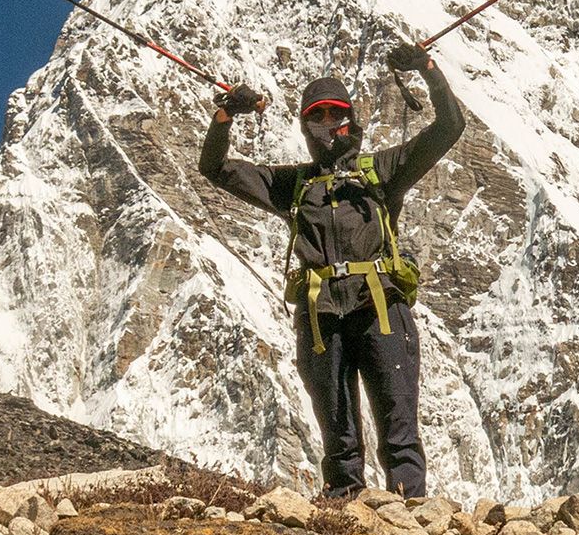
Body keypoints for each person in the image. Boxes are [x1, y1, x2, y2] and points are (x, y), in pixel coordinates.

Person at [198, 42, 465, 498]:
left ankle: (411, 519)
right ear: (304, 124)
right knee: (337, 437)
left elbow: (448, 128)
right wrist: (224, 117)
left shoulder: (382, 170)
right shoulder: (293, 184)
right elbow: (216, 168)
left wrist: (428, 69)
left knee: (398, 429)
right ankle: (347, 521)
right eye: (317, 116)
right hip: (321, 316)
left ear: (351, 119)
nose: (328, 124)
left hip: (380, 307)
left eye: (335, 113)